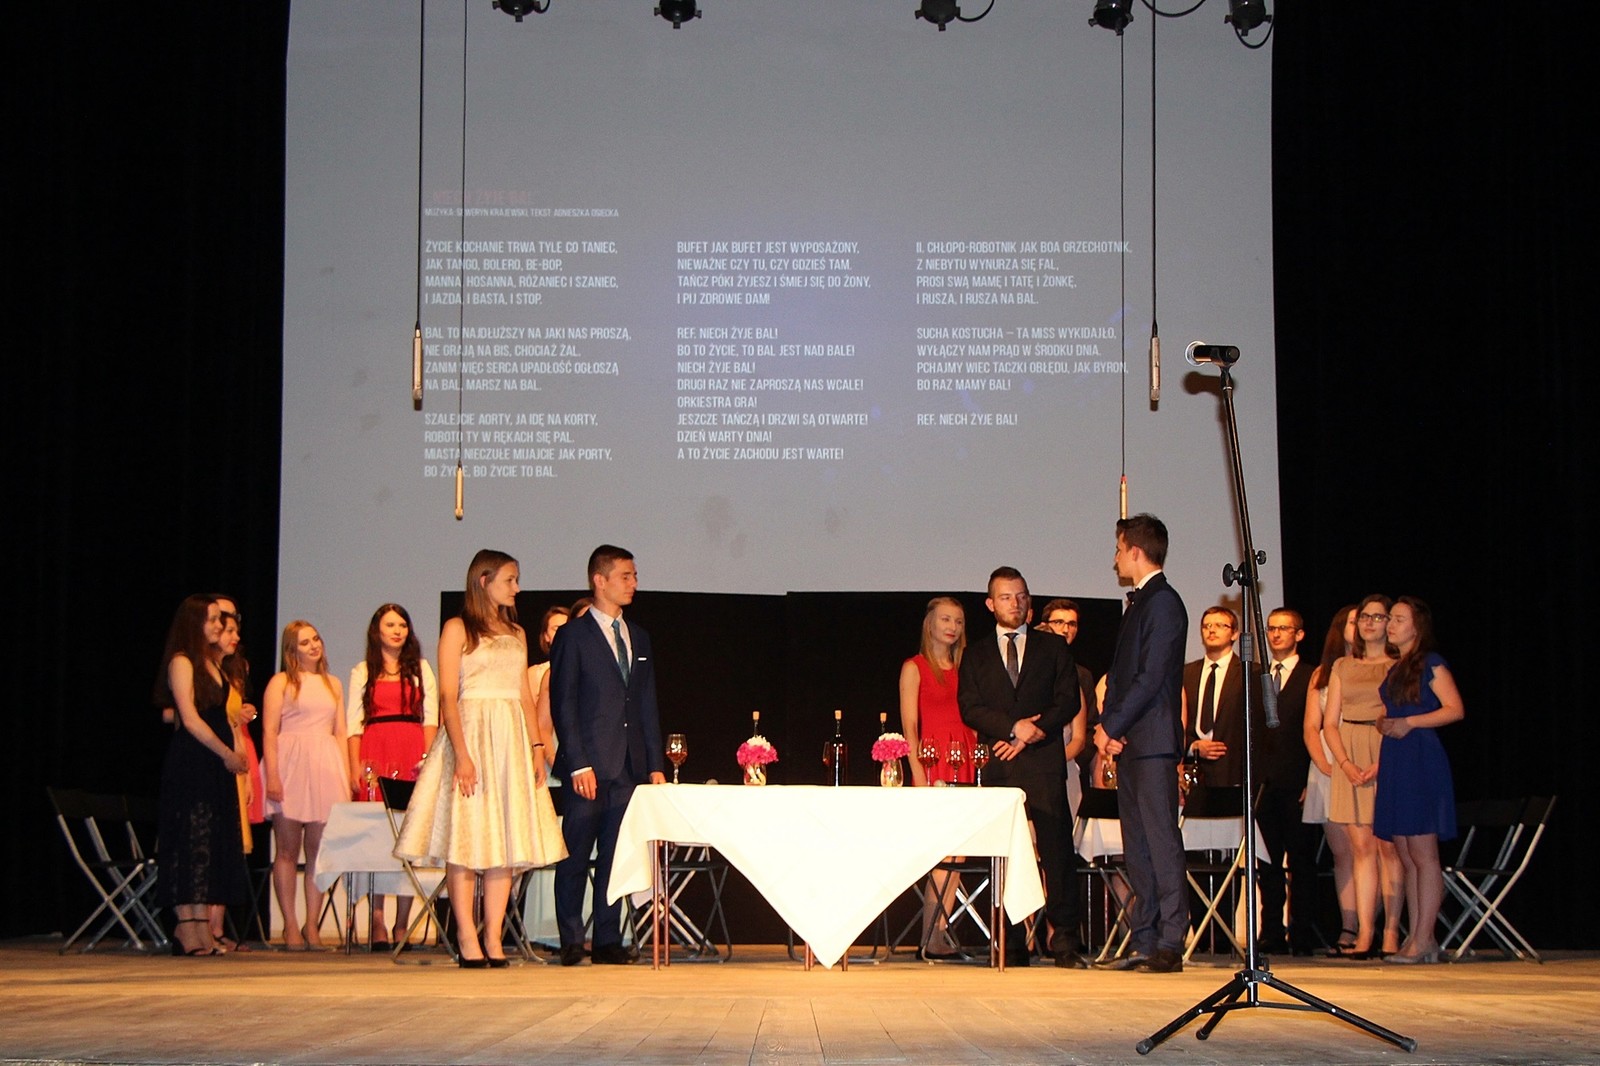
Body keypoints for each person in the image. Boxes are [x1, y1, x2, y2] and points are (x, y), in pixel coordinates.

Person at [395, 550, 565, 967]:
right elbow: (448, 696)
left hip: (509, 738)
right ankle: (466, 935)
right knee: (467, 838)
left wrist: (536, 748)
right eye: (510, 579)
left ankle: (493, 936)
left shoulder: (516, 632)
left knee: (504, 839)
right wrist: (462, 754)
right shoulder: (458, 629)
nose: (517, 588)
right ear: (484, 580)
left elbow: (523, 695)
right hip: (470, 733)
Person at [958, 567, 1085, 968]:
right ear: (990, 604)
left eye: (1022, 596)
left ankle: (1064, 941)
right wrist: (1013, 728)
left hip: (1044, 761)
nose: (1015, 603)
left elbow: (1068, 700)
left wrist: (1033, 732)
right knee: (1006, 855)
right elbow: (970, 707)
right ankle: (1011, 942)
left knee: (1057, 853)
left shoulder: (1053, 647)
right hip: (1000, 763)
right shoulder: (976, 653)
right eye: (1006, 597)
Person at [551, 545, 667, 967]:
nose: (633, 583)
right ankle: (570, 939)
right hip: (589, 765)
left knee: (616, 856)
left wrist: (654, 764)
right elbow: (563, 703)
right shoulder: (573, 635)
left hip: (628, 765)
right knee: (576, 853)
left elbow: (646, 703)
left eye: (634, 575)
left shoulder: (639, 636)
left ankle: (607, 938)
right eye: (625, 576)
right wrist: (578, 762)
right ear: (600, 580)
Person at [1094, 514, 1188, 974]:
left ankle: (1170, 940)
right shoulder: (1140, 603)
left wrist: (1110, 725)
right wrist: (1111, 727)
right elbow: (1122, 675)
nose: (1115, 559)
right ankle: (1145, 938)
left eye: (1118, 549)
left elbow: (1151, 678)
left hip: (1152, 741)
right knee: (1137, 845)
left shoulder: (1163, 603)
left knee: (1160, 841)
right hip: (1134, 740)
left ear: (1135, 550)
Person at [155, 594, 249, 956]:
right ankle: (186, 926)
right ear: (194, 622)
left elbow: (225, 716)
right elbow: (189, 718)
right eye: (211, 619)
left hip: (214, 764)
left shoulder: (213, 664)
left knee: (208, 842)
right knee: (189, 840)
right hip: (193, 761)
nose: (217, 625)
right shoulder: (182, 661)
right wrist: (226, 753)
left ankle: (201, 926)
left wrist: (235, 751)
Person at [1375, 597, 1463, 965]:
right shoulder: (1398, 667)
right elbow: (1394, 710)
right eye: (1390, 619)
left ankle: (1425, 938)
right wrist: (1385, 722)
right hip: (1397, 757)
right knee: (1407, 854)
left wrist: (1409, 722)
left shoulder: (1431, 662)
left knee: (1424, 854)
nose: (1390, 625)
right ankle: (1417, 936)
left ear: (1417, 626)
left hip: (1420, 759)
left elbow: (1454, 709)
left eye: (1398, 619)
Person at [346, 603, 439, 947]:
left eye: (402, 625)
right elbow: (353, 724)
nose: (397, 630)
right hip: (375, 752)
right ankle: (377, 921)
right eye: (390, 625)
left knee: (407, 837)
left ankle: (402, 923)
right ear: (377, 631)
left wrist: (428, 761)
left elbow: (431, 719)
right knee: (376, 839)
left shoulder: (421, 669)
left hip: (412, 751)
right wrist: (354, 765)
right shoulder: (362, 671)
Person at [1322, 594, 1403, 958]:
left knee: (1388, 847)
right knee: (1361, 848)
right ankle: (1365, 933)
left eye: (1377, 617)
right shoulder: (1342, 665)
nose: (1369, 623)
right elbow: (1330, 722)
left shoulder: (1397, 666)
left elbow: (1398, 715)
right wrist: (1345, 763)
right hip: (1349, 750)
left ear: (1389, 623)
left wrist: (1381, 763)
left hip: (1386, 748)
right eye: (1365, 617)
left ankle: (1391, 932)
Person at [262, 620, 349, 950]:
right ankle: (290, 925)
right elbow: (270, 731)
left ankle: (312, 925)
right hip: (290, 765)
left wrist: (344, 777)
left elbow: (340, 732)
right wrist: (272, 775)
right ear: (291, 650)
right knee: (287, 850)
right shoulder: (281, 682)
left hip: (324, 766)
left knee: (317, 852)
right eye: (304, 642)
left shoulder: (333, 684)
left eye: (316, 639)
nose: (314, 646)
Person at [898, 596, 971, 958]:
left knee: (959, 854)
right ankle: (931, 936)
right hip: (933, 762)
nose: (952, 627)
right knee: (943, 854)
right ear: (930, 624)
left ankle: (937, 934)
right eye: (945, 619)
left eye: (958, 621)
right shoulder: (915, 667)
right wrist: (918, 773)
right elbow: (909, 725)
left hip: (966, 760)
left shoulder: (967, 667)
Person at [1255, 607, 1316, 955]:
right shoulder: (1257, 676)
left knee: (1302, 860)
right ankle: (1271, 932)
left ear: (1299, 635)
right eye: (1271, 628)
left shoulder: (1312, 676)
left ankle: (1303, 932)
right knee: (1268, 863)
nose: (1276, 634)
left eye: (1284, 628)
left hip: (1298, 782)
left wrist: (1313, 778)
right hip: (1263, 784)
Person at [1302, 605, 1360, 956]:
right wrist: (1323, 763)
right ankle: (1348, 927)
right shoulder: (1321, 674)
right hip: (1327, 765)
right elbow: (1311, 726)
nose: (1361, 626)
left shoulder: (1378, 667)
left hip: (1363, 761)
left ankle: (1373, 927)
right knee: (1343, 854)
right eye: (1354, 621)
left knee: (1372, 850)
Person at [209, 610, 261, 952]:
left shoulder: (232, 672)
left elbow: (237, 728)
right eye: (226, 629)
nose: (234, 636)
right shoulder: (202, 670)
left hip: (236, 759)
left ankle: (217, 926)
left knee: (230, 847)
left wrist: (248, 775)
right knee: (214, 846)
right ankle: (206, 928)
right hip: (215, 759)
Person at [1183, 606, 1248, 788]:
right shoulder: (1186, 673)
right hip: (1193, 772)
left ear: (1234, 634)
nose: (1211, 630)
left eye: (1220, 625)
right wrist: (1192, 746)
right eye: (1207, 626)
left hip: (1234, 773)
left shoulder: (1249, 673)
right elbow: (1175, 721)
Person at [526, 605, 570, 776]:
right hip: (543, 756)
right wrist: (550, 758)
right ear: (546, 636)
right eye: (556, 628)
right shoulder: (536, 673)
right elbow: (532, 721)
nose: (562, 633)